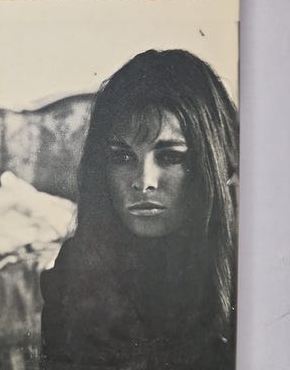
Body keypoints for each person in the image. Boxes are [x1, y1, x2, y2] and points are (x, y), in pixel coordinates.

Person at [40, 50, 238, 370]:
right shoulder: (75, 266)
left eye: (170, 157)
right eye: (122, 158)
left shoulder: (250, 268)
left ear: (210, 163)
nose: (143, 182)